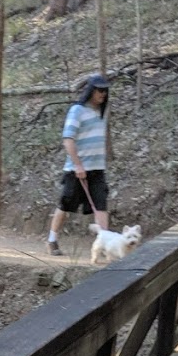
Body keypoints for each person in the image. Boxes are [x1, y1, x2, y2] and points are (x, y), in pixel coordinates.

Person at [47, 74, 110, 256]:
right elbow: (68, 139)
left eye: (105, 91)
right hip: (76, 170)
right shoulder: (77, 110)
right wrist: (78, 165)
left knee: (101, 205)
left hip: (97, 168)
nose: (103, 94)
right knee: (66, 206)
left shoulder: (101, 112)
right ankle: (52, 239)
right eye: (100, 90)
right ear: (90, 91)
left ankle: (104, 245)